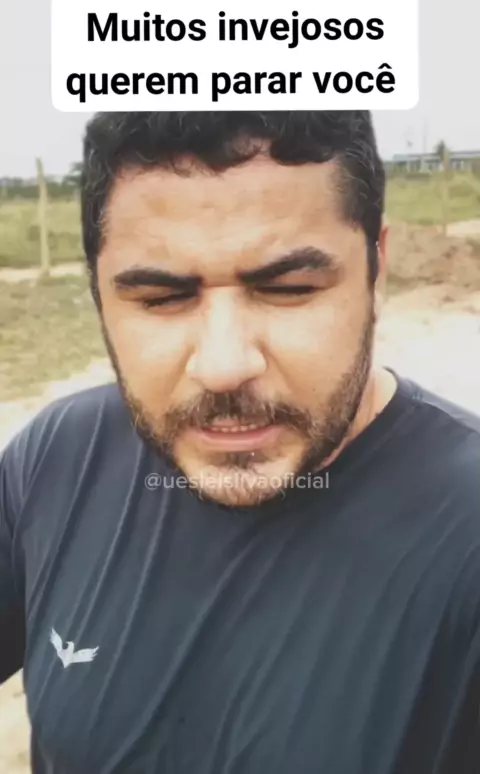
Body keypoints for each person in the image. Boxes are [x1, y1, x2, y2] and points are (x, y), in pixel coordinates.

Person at [1, 111, 479, 774]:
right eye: (161, 297)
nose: (224, 366)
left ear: (377, 271)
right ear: (98, 295)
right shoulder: (56, 459)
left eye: (288, 289)